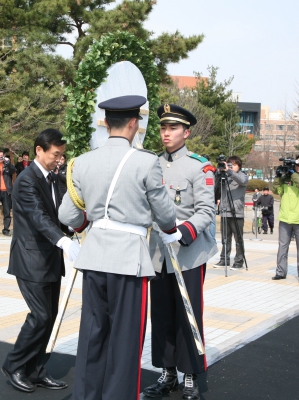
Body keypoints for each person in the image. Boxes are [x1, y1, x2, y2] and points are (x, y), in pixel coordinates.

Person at [58, 95, 178, 400]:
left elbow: (68, 215)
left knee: (93, 334)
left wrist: (87, 227)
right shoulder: (147, 162)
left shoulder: (82, 162)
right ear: (135, 124)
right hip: (128, 259)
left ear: (106, 124)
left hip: (94, 255)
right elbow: (165, 216)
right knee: (125, 340)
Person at [144, 104, 217, 400]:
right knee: (161, 315)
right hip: (159, 255)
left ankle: (189, 376)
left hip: (188, 254)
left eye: (173, 128)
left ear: (186, 133)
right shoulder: (150, 164)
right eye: (163, 128)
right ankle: (167, 372)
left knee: (188, 316)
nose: (166, 133)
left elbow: (206, 211)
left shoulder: (199, 167)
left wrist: (182, 231)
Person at [1, 129, 78, 394]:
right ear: (39, 150)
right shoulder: (26, 179)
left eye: (62, 155)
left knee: (51, 317)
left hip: (51, 260)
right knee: (41, 316)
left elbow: (60, 215)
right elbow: (38, 216)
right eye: (55, 154)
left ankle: (36, 369)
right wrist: (64, 242)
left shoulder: (55, 179)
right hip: (31, 259)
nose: (59, 160)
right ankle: (14, 365)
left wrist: (75, 230)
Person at [272, 154, 299, 284]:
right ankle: (280, 272)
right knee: (282, 247)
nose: (298, 166)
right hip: (285, 217)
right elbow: (275, 190)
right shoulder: (287, 178)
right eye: (297, 163)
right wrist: (278, 177)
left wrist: (293, 174)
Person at [214, 155, 248, 270]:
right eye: (229, 164)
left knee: (238, 239)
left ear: (239, 166)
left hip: (236, 212)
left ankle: (239, 262)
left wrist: (230, 171)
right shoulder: (225, 176)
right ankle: (224, 259)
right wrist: (218, 173)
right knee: (225, 238)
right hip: (224, 211)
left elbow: (242, 181)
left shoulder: (242, 176)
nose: (231, 167)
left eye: (233, 165)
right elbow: (215, 187)